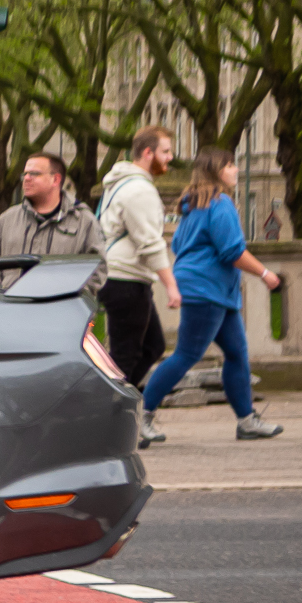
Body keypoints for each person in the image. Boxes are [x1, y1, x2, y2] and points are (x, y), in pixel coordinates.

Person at [140, 147, 283, 443]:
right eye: (230, 165)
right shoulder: (220, 203)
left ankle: (247, 421)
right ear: (217, 171)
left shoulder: (193, 207)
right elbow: (233, 251)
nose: (235, 170)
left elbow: (178, 245)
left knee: (236, 353)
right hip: (207, 290)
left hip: (212, 290)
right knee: (186, 354)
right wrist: (265, 274)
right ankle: (141, 417)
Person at [97, 126, 182, 443]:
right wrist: (172, 286)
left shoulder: (122, 184)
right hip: (126, 279)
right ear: (148, 153)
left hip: (123, 278)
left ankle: (117, 415)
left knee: (152, 346)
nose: (170, 159)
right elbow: (150, 243)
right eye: (165, 152)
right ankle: (111, 425)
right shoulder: (140, 191)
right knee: (125, 356)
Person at [0, 152, 104, 289]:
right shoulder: (7, 219)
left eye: (34, 174)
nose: (26, 178)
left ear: (55, 179)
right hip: (12, 307)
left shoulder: (83, 221)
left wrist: (73, 298)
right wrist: (0, 292)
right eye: (24, 174)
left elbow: (99, 267)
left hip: (61, 309)